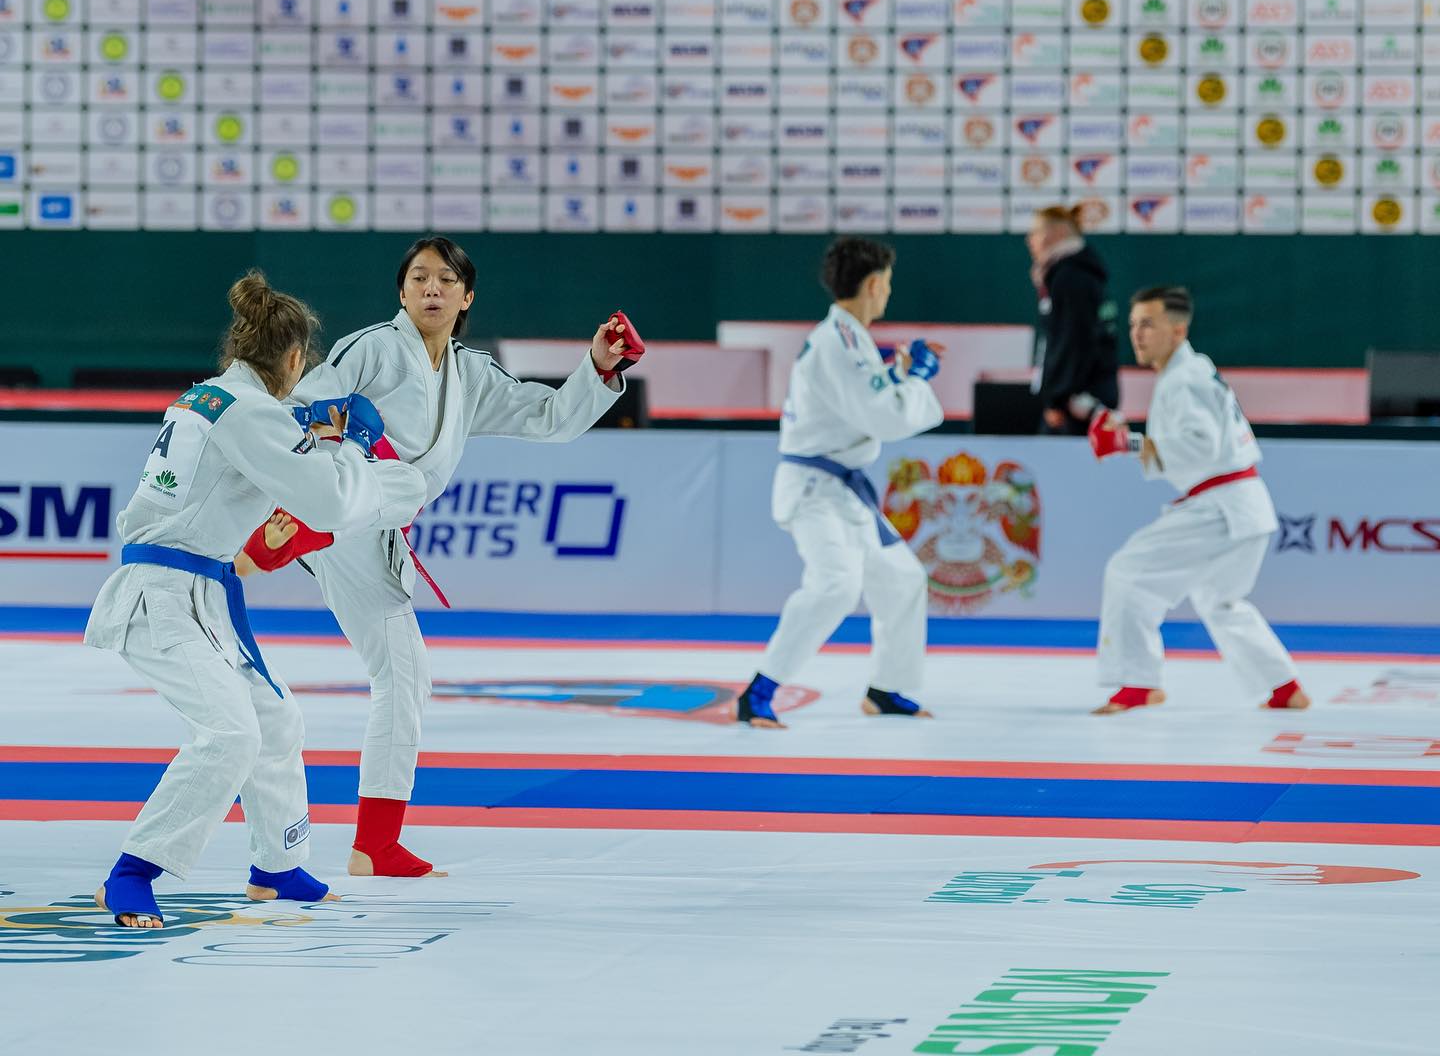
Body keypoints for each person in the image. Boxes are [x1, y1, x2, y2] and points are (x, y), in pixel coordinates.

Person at [239, 235, 638, 877]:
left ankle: (375, 843)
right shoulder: (372, 347)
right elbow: (301, 405)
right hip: (341, 493)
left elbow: (550, 419)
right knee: (395, 486)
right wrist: (332, 455)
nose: (432, 288)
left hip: (376, 527)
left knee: (405, 677)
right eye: (419, 278)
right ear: (401, 292)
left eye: (446, 280)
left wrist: (598, 367)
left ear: (466, 296)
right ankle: (301, 524)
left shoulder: (470, 373)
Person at [84, 272, 428, 929]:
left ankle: (276, 867)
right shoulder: (249, 413)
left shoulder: (213, 398)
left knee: (276, 722)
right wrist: (347, 445)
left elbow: (253, 455)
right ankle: (132, 873)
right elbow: (327, 505)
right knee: (230, 734)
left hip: (198, 589)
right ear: (295, 359)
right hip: (164, 595)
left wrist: (309, 431)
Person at [736, 237, 944, 728]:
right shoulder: (840, 342)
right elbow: (884, 417)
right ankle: (758, 693)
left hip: (841, 491)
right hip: (815, 490)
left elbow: (862, 400)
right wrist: (918, 381)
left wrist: (900, 374)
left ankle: (886, 687)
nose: (888, 292)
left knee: (902, 578)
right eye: (886, 283)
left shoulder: (849, 339)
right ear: (872, 285)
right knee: (836, 585)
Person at [1087, 286, 1310, 716]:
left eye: (1148, 324)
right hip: (1243, 505)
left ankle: (1138, 683)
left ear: (1178, 330)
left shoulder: (1184, 379)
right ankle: (1284, 686)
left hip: (1220, 506)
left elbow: (1202, 445)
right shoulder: (1194, 370)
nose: (1138, 334)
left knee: (1128, 572)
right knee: (1219, 601)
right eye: (1133, 325)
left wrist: (1127, 442)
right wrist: (1132, 442)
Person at [1027, 205, 1118, 435]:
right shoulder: (1070, 274)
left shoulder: (1071, 278)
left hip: (1076, 406)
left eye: (1036, 232)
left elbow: (1072, 342)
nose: (1029, 240)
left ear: (1057, 233)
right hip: (1077, 400)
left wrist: (1057, 399)